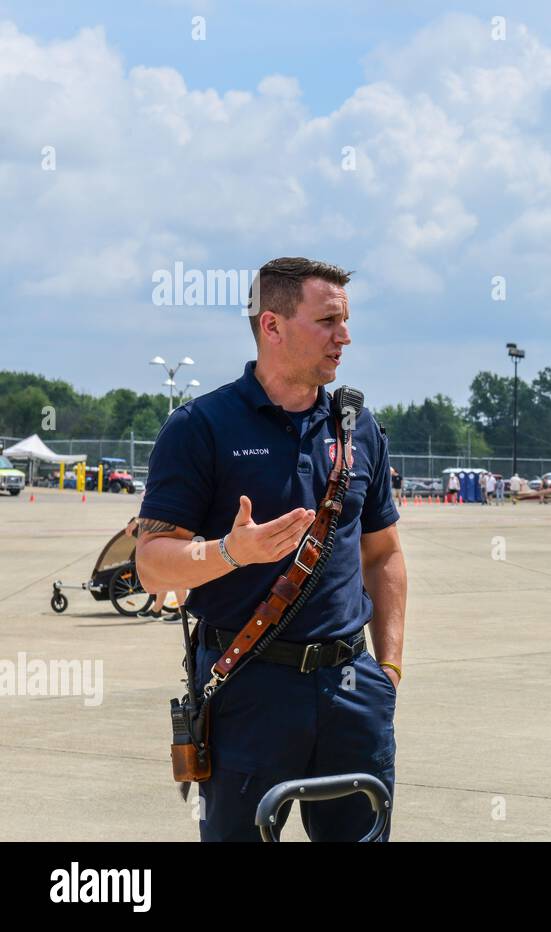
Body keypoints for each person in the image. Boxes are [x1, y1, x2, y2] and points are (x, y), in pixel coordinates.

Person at [134, 257, 406, 841]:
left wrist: (389, 669)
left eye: (347, 320)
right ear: (272, 325)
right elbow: (152, 565)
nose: (345, 336)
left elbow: (383, 554)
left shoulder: (358, 429)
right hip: (247, 686)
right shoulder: (200, 427)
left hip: (351, 689)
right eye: (329, 320)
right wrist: (230, 554)